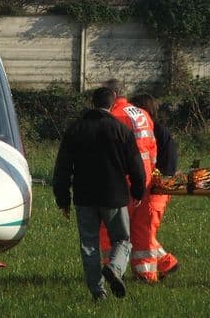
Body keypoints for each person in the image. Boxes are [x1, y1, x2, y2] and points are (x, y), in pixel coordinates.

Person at [53, 87, 146, 301]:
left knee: (89, 245)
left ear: (92, 103)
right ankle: (114, 268)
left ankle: (98, 292)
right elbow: (136, 166)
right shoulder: (121, 130)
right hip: (114, 196)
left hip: (84, 197)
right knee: (122, 239)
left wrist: (63, 198)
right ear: (112, 105)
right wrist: (138, 191)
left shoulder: (75, 129)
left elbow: (62, 168)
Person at [97, 80, 179, 283]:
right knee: (141, 230)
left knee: (110, 228)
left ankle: (113, 270)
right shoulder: (142, 115)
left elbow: (109, 154)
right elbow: (152, 150)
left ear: (113, 94)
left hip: (123, 181)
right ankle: (150, 271)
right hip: (146, 181)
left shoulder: (114, 116)